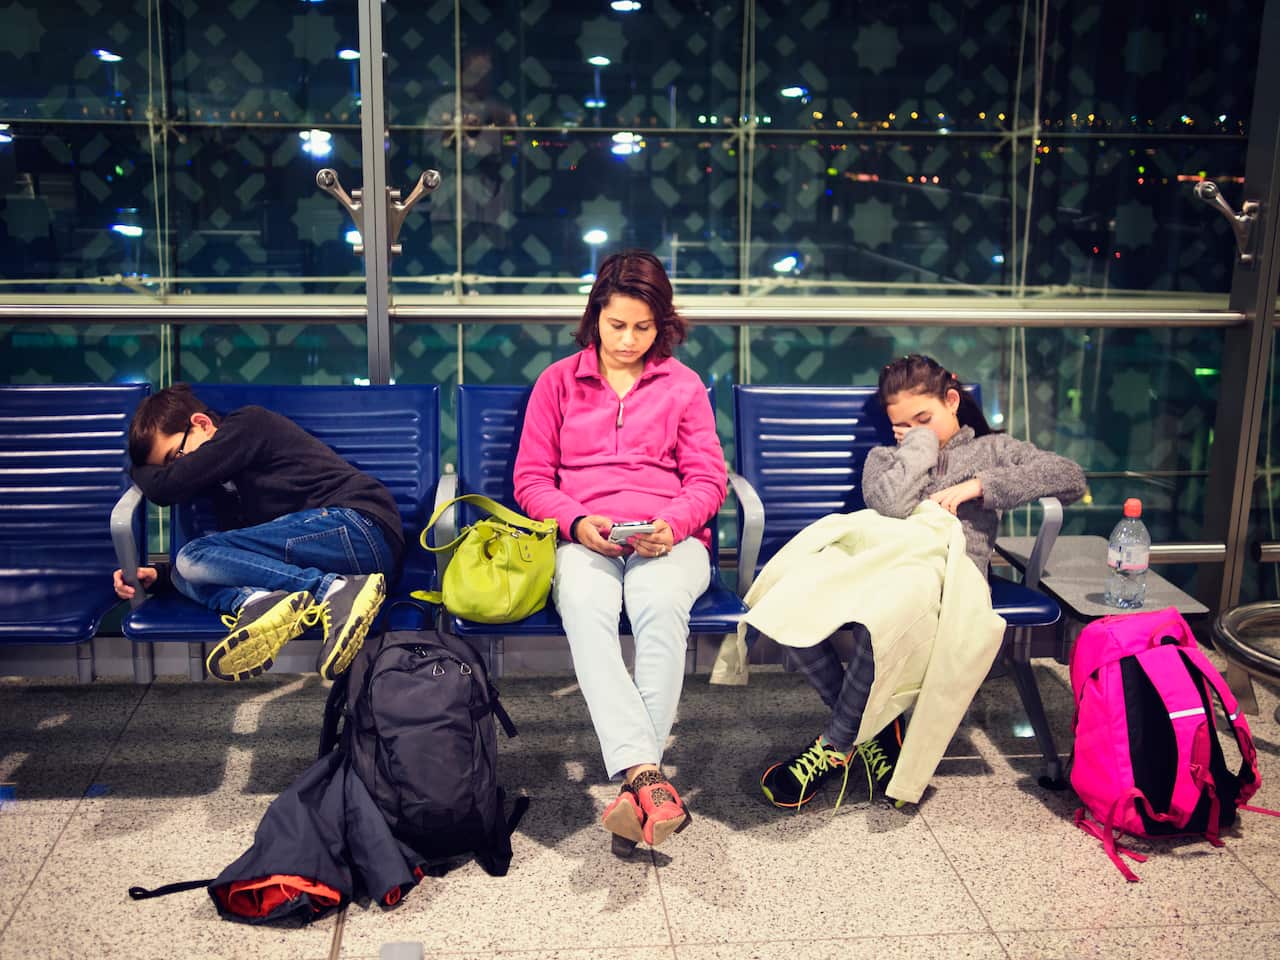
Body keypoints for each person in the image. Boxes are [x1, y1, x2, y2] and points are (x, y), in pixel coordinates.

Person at [759, 353, 1086, 810]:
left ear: (952, 400)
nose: (915, 431)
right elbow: (890, 506)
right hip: (886, 556)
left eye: (924, 419)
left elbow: (1070, 477)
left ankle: (836, 744)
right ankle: (872, 731)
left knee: (884, 615)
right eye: (902, 426)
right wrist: (919, 445)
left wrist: (981, 486)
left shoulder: (994, 451)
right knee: (787, 596)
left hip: (948, 567)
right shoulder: (885, 458)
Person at [513, 250, 727, 856]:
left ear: (662, 325)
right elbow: (531, 480)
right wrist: (576, 522)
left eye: (643, 327)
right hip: (585, 535)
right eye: (617, 325)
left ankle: (637, 785)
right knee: (585, 605)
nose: (629, 340)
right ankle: (648, 781)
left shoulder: (683, 386)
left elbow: (708, 480)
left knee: (659, 604)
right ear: (595, 318)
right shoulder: (558, 382)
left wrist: (673, 524)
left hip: (669, 536)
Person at [111, 384, 398, 683]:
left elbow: (164, 488)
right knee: (183, 572)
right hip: (339, 557)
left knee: (191, 554)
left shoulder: (247, 424)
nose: (174, 470)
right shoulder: (224, 484)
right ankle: (257, 602)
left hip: (359, 528)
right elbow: (235, 559)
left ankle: (332, 590)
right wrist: (161, 576)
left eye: (174, 456)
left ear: (202, 424)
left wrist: (135, 471)